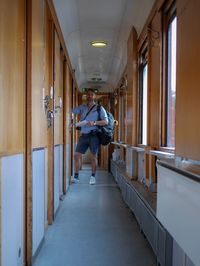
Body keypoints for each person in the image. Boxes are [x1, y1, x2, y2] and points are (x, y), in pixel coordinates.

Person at [71, 89, 108, 185]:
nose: (89, 96)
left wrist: (94, 122)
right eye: (88, 95)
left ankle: (92, 177)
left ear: (94, 96)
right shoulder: (82, 107)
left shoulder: (99, 108)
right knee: (76, 155)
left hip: (93, 135)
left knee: (93, 156)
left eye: (91, 95)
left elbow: (105, 121)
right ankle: (76, 176)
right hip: (83, 135)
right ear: (86, 96)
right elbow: (71, 111)